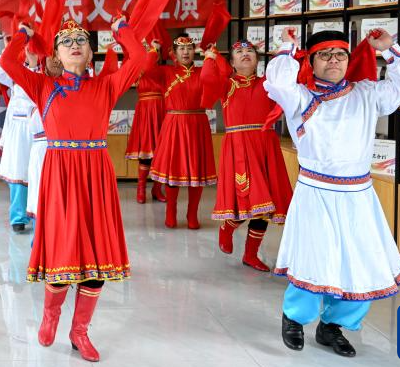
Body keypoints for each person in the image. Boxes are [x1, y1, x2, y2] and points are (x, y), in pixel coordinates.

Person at [0, 17, 150, 362]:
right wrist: (22, 34)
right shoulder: (43, 85)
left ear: (90, 52)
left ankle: (79, 331)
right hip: (61, 176)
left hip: (96, 176)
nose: (74, 45)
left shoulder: (106, 86)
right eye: (66, 42)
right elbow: (7, 62)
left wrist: (121, 30)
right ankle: (51, 314)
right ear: (56, 54)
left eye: (81, 40)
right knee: (63, 252)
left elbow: (140, 59)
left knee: (97, 257)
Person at [265, 28, 400, 357]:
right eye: (324, 55)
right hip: (316, 191)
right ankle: (295, 318)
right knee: (314, 256)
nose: (333, 60)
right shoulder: (299, 96)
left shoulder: (366, 92)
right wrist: (287, 49)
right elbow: (276, 83)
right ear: (311, 61)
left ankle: (333, 326)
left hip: (358, 193)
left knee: (360, 260)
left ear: (348, 60)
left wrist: (389, 49)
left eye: (340, 55)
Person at [201, 41, 293, 271]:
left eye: (250, 51)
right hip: (239, 147)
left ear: (258, 60)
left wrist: (287, 48)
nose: (245, 54)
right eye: (239, 52)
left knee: (266, 204)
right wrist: (210, 58)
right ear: (231, 62)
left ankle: (251, 255)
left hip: (266, 146)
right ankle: (228, 227)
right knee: (246, 198)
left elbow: (289, 78)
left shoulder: (268, 84)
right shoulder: (226, 84)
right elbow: (207, 80)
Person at [147, 35, 216, 229]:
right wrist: (154, 50)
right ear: (174, 53)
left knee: (197, 171)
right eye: (181, 49)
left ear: (195, 51)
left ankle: (192, 214)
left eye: (189, 48)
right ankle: (171, 211)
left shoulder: (202, 71)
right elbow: (146, 69)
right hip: (174, 124)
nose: (186, 52)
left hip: (197, 124)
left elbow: (219, 77)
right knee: (173, 169)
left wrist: (212, 55)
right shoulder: (166, 72)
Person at [0, 21, 36, 232]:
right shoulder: (16, 69)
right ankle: (18, 217)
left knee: (40, 172)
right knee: (18, 170)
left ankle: (40, 215)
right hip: (19, 127)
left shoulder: (50, 68)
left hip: (43, 128)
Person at [125, 44, 166, 204]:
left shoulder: (163, 70)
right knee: (146, 153)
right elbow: (148, 65)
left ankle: (157, 188)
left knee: (162, 154)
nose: (154, 53)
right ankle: (140, 188)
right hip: (146, 112)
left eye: (156, 51)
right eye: (150, 50)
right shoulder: (140, 68)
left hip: (162, 111)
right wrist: (152, 50)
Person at [24, 53, 63, 220]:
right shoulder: (36, 83)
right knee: (39, 196)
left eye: (58, 56)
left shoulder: (73, 85)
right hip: (41, 149)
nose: (55, 61)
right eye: (50, 57)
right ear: (43, 62)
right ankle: (39, 235)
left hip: (65, 151)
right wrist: (32, 66)